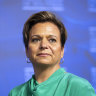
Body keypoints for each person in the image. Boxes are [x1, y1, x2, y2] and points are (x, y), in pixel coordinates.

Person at [8, 11, 96, 96]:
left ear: (62, 50)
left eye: (52, 40)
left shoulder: (80, 87)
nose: (43, 45)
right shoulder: (16, 93)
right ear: (27, 50)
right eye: (36, 39)